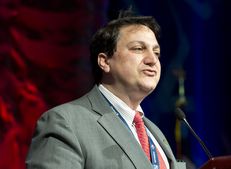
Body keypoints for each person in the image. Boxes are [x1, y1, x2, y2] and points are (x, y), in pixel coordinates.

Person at [26, 9, 186, 169]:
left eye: (156, 52)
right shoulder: (65, 122)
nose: (152, 60)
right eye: (138, 48)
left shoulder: (155, 133)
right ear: (105, 61)